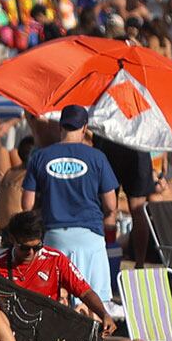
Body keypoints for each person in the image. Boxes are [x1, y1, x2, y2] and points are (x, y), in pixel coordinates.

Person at [22, 105, 120, 307]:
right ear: (84, 128)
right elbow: (111, 205)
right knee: (94, 302)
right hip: (90, 238)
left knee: (57, 300)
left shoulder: (40, 156)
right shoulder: (97, 157)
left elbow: (27, 205)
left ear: (60, 126)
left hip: (55, 237)